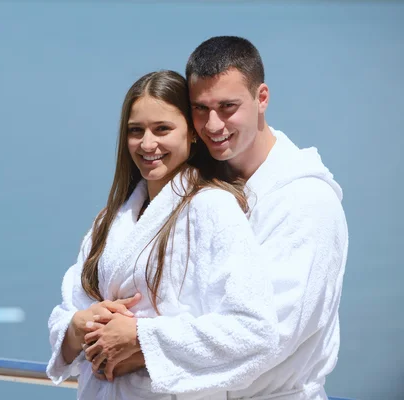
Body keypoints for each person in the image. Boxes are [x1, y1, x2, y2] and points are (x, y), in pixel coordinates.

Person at [102, 37, 349, 400]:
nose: (213, 124)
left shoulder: (306, 201)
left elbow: (271, 336)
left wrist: (139, 344)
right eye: (200, 108)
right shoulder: (200, 189)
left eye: (228, 107)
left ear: (261, 98)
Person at [47, 70, 281, 399]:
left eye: (162, 129)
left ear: (192, 134)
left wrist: (141, 336)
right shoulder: (110, 220)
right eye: (135, 131)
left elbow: (255, 331)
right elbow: (68, 309)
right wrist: (77, 327)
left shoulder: (213, 209)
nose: (147, 144)